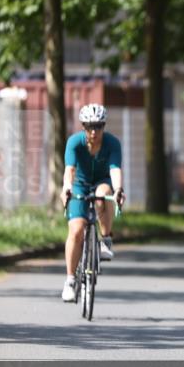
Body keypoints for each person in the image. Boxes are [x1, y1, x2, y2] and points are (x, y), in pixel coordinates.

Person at [60, 104, 125, 302]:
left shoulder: (112, 143)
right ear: (83, 127)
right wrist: (67, 189)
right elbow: (69, 170)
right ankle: (70, 280)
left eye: (98, 126)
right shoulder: (74, 142)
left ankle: (105, 240)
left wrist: (119, 189)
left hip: (101, 182)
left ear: (104, 126)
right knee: (76, 230)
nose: (94, 131)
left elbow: (114, 170)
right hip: (79, 184)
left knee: (103, 194)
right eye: (89, 127)